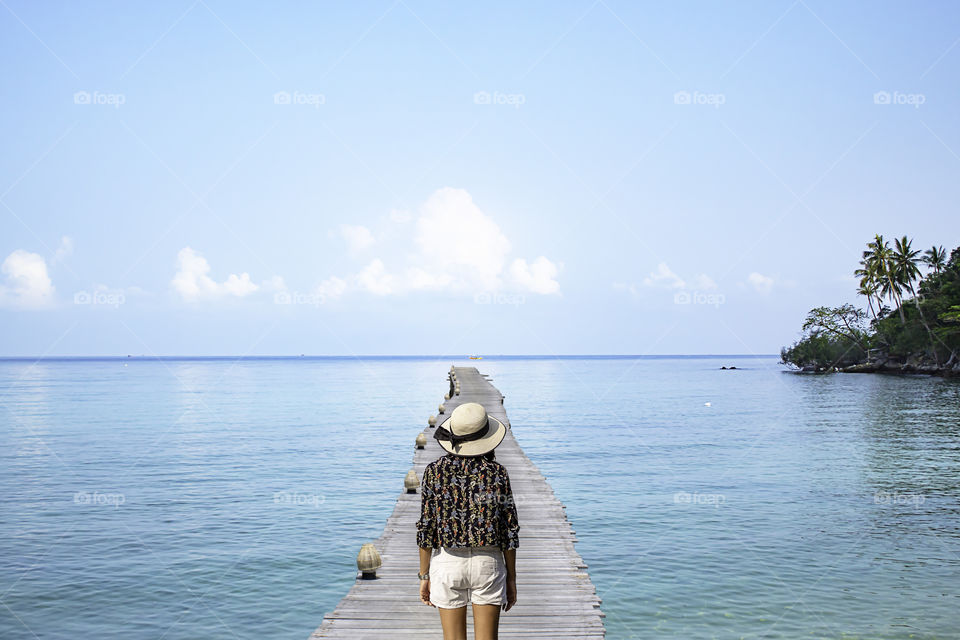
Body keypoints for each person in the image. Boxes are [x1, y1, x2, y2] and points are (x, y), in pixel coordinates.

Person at [416, 401, 520, 640]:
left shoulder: (433, 471)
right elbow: (509, 531)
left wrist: (424, 576)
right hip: (489, 563)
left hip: (447, 563)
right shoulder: (498, 473)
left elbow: (426, 528)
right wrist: (512, 579)